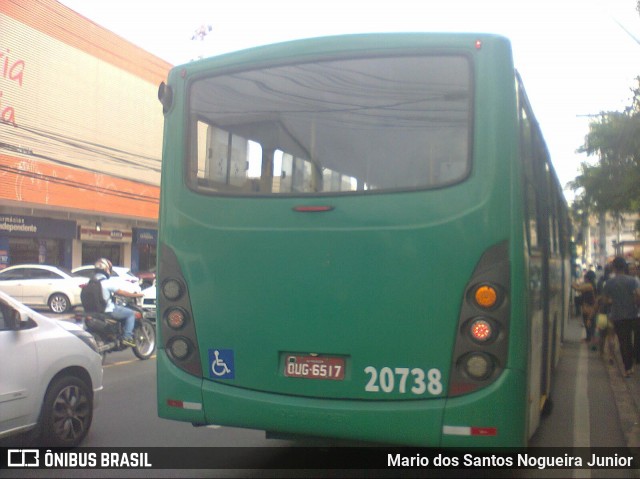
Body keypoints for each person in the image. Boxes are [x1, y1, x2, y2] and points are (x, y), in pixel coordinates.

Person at [602, 256, 640, 378]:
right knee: (632, 340)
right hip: (633, 315)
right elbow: (638, 296)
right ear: (625, 267)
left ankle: (628, 368)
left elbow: (605, 300)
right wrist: (634, 302)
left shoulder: (609, 282)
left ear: (614, 268)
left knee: (623, 342)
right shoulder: (633, 281)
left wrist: (613, 301)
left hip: (618, 316)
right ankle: (632, 363)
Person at [92, 258, 144, 347]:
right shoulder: (106, 282)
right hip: (108, 311)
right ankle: (127, 338)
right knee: (131, 313)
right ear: (106, 270)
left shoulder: (91, 282)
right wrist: (136, 295)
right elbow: (121, 292)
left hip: (94, 311)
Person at [572, 271, 597, 345]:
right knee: (588, 323)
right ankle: (589, 338)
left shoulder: (589, 285)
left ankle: (590, 339)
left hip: (589, 308)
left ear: (588, 278)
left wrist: (572, 284)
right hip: (588, 307)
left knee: (589, 323)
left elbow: (578, 288)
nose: (584, 279)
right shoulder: (590, 285)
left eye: (585, 277)